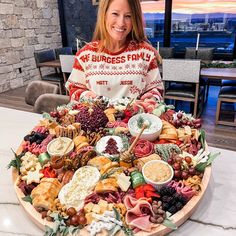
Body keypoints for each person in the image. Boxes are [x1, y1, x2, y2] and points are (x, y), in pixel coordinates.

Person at [66, 0, 163, 102]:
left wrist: (152, 97)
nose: (121, 23)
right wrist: (85, 95)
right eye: (115, 14)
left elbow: (156, 89)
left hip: (135, 117)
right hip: (96, 116)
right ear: (104, 15)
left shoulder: (146, 53)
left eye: (128, 16)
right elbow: (74, 89)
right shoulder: (84, 55)